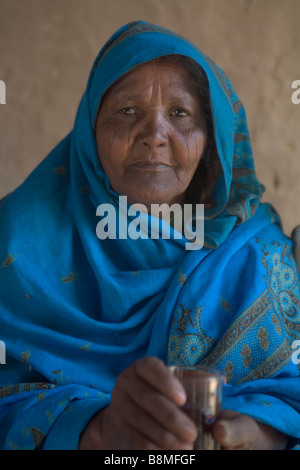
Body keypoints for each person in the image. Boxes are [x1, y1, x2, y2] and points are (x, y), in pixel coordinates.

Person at [0, 21, 299, 451]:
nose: (155, 134)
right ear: (90, 131)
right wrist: (99, 430)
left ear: (210, 139)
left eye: (180, 113)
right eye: (127, 111)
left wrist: (255, 433)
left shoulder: (257, 252)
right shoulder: (18, 245)